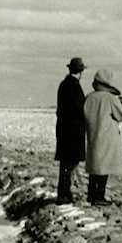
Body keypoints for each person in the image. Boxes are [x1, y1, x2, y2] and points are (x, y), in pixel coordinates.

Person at [83, 69, 122, 206]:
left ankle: (91, 195)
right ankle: (99, 197)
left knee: (94, 168)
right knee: (104, 168)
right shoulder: (110, 98)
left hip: (92, 136)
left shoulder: (89, 97)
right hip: (107, 137)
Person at [55, 57, 87, 204]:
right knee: (70, 163)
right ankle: (64, 194)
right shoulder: (74, 86)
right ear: (80, 72)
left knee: (66, 163)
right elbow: (79, 109)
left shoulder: (64, 84)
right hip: (73, 131)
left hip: (64, 130)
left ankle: (65, 193)